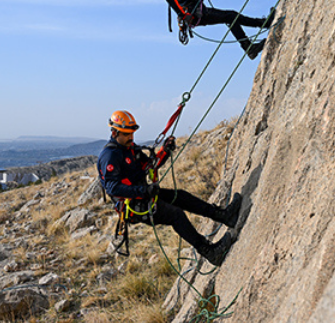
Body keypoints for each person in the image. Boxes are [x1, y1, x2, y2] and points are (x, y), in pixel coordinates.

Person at [97, 110, 242, 266]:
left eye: (132, 133)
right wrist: (143, 191)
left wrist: (165, 151)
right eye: (126, 134)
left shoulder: (130, 149)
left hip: (144, 195)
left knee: (181, 196)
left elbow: (150, 165)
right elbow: (113, 188)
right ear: (114, 132)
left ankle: (224, 216)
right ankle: (210, 252)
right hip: (133, 206)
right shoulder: (110, 156)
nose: (131, 137)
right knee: (175, 215)